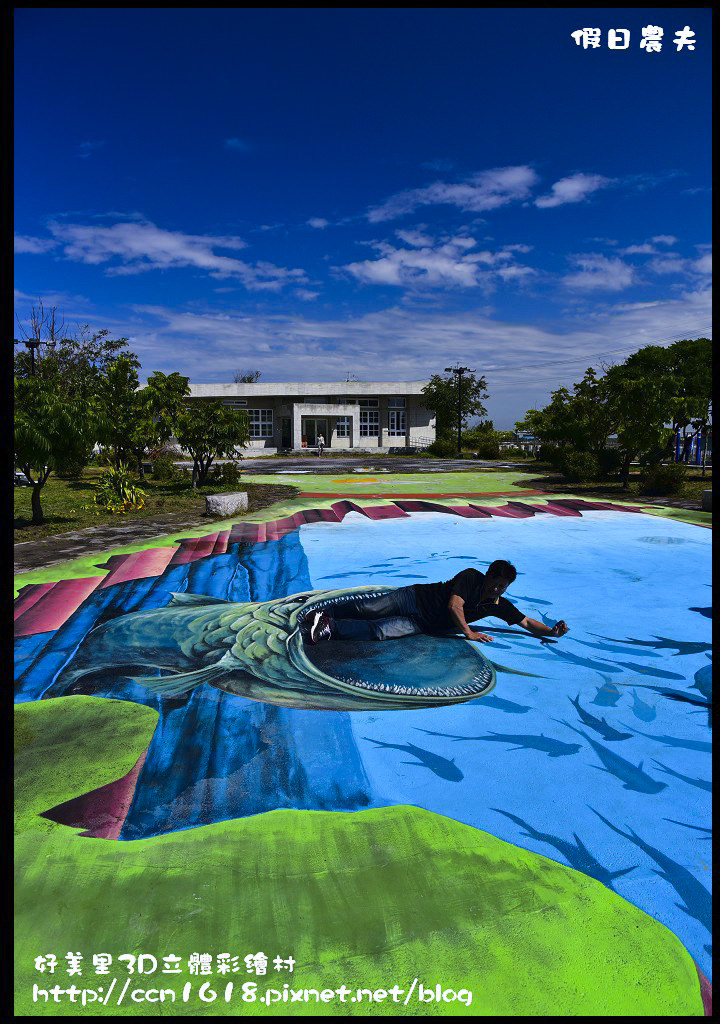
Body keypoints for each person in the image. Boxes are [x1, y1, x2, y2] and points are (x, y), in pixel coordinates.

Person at [307, 560, 569, 644]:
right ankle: (324, 610)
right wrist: (469, 633)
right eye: (495, 582)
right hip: (414, 598)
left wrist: (551, 632)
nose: (496, 588)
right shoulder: (471, 577)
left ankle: (330, 625)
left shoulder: (498, 603)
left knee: (380, 632)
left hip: (423, 623)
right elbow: (454, 605)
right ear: (488, 575)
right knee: (369, 608)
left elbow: (524, 621)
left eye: (503, 586)